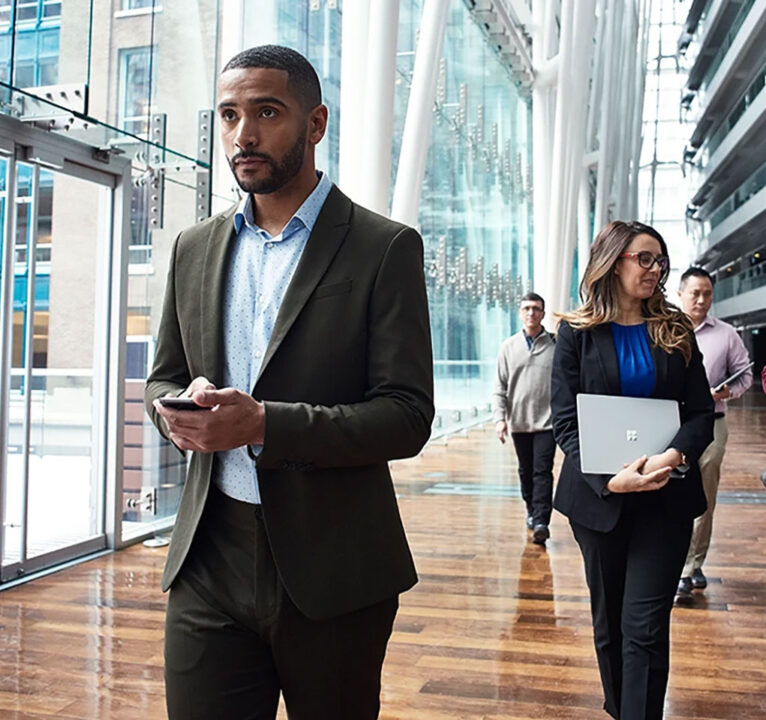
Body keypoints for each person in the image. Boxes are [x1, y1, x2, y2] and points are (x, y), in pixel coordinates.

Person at [144, 45, 434, 720]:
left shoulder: (383, 246)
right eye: (228, 114)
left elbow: (407, 414)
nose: (243, 133)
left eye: (266, 112)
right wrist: (188, 414)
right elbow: (165, 375)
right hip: (207, 558)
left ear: (315, 123)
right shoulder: (195, 247)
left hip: (333, 567)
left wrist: (265, 425)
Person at [550, 220, 713, 720]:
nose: (656, 268)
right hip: (601, 503)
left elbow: (701, 412)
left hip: (665, 499)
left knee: (644, 626)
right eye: (645, 258)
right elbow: (565, 422)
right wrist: (608, 480)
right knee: (610, 627)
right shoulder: (576, 334)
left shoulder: (675, 327)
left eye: (661, 260)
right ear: (612, 260)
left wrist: (672, 456)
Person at [675, 267, 752, 602]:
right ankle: (674, 561)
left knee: (704, 494)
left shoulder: (727, 334)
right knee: (669, 491)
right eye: (695, 293)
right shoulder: (663, 331)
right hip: (669, 424)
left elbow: (745, 375)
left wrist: (725, 393)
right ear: (680, 295)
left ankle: (691, 566)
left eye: (707, 293)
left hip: (712, 423)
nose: (703, 300)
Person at [492, 292, 556, 544]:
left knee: (542, 471)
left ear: (543, 313)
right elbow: (499, 387)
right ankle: (531, 510)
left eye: (536, 309)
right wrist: (500, 419)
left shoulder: (555, 344)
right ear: (520, 313)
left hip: (547, 423)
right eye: (527, 308)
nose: (532, 313)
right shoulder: (508, 347)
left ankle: (541, 520)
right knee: (525, 471)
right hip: (519, 422)